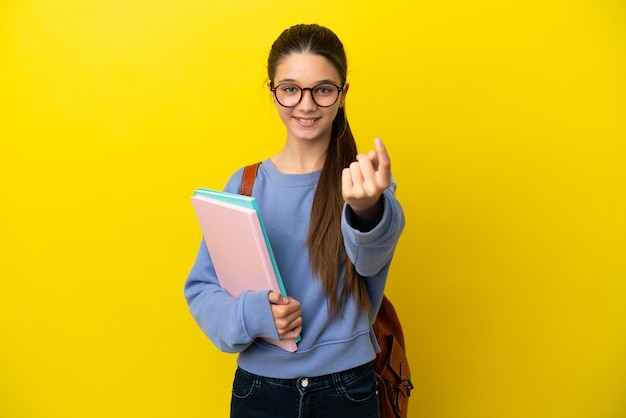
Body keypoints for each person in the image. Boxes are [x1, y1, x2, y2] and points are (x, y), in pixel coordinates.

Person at [184, 23, 405, 418]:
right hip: (259, 392)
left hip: (347, 389)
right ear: (272, 92)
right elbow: (203, 289)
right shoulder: (244, 184)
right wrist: (254, 314)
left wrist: (367, 207)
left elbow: (371, 260)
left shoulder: (362, 181)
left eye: (322, 89)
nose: (306, 105)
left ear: (342, 95)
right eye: (290, 89)